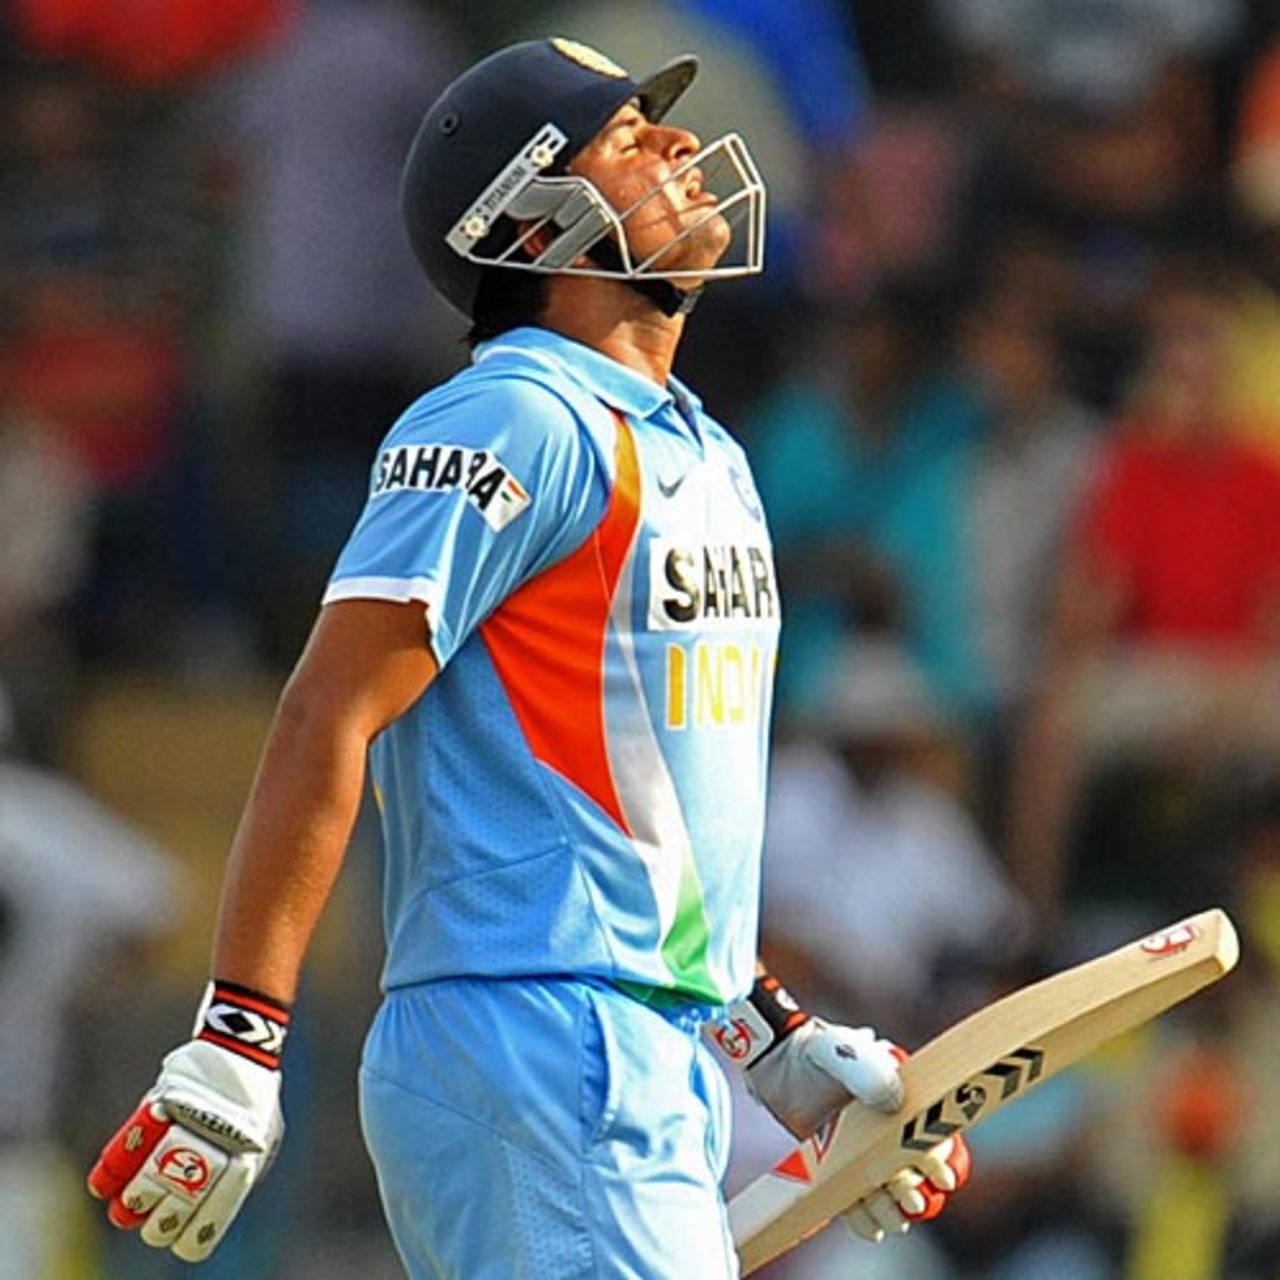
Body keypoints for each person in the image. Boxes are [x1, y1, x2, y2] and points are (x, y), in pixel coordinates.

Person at [84, 38, 969, 1279]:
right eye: (623, 137)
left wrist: (764, 1031)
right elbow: (329, 712)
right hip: (532, 1040)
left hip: (637, 1043)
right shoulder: (510, 415)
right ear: (530, 222)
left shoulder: (699, 447)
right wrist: (239, 1034)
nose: (675, 144)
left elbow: (636, 828)